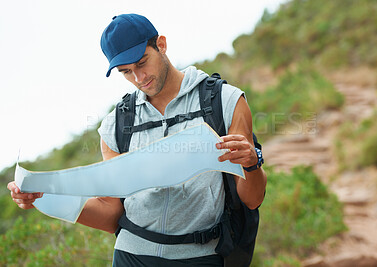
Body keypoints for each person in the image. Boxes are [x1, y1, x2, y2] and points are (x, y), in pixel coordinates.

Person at [7, 13, 267, 266]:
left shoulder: (225, 101)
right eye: (126, 72)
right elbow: (112, 216)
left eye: (142, 63)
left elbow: (252, 199)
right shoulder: (116, 125)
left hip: (200, 257)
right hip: (131, 256)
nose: (139, 78)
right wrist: (43, 198)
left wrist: (251, 163)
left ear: (161, 45)